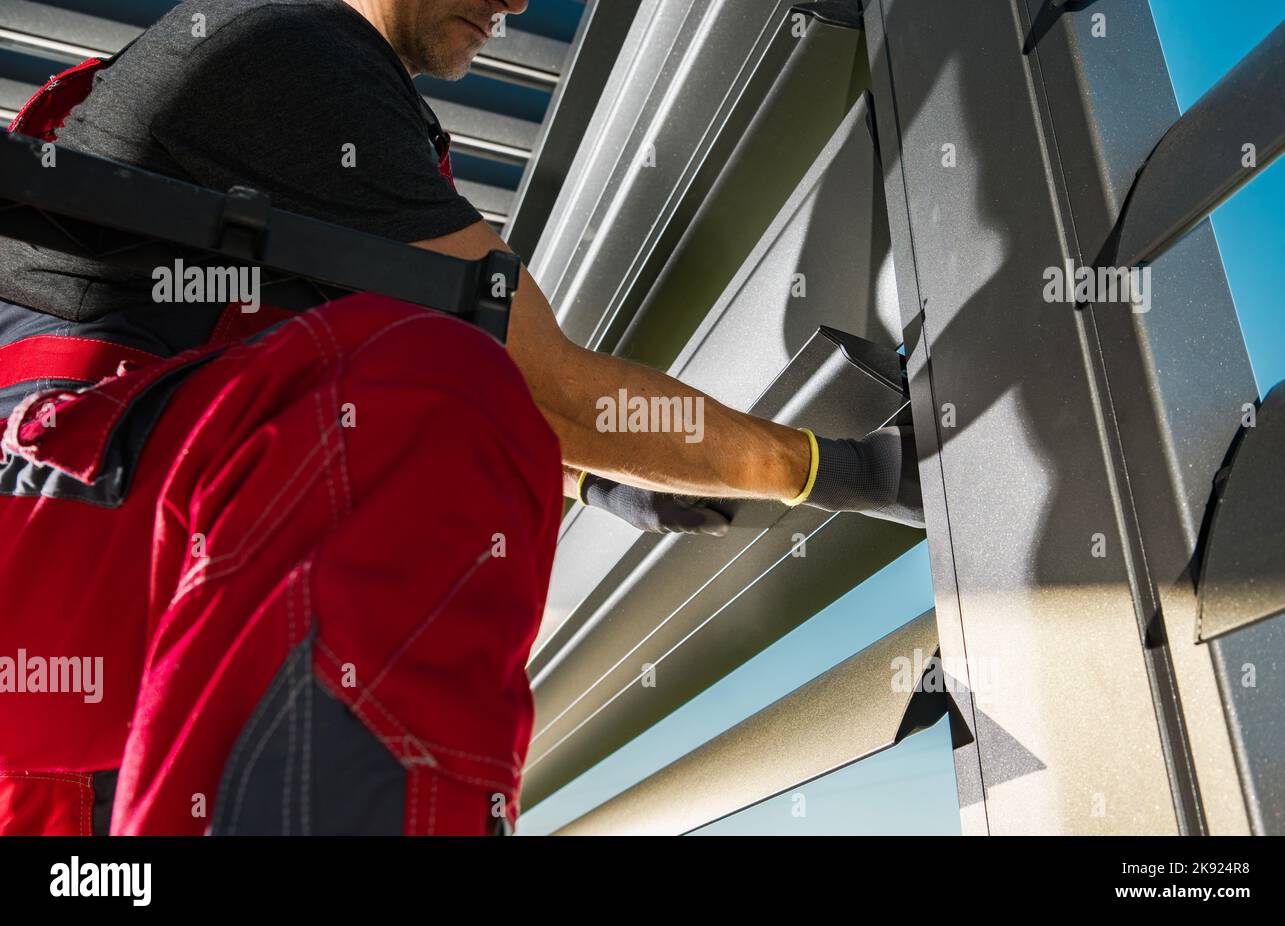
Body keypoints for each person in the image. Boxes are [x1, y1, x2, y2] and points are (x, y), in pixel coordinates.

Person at [0, 0, 921, 835]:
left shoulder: (328, 112)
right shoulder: (292, 51)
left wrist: (593, 477)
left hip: (67, 705)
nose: (518, 3)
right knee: (441, 385)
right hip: (63, 550)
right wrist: (847, 470)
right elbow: (546, 387)